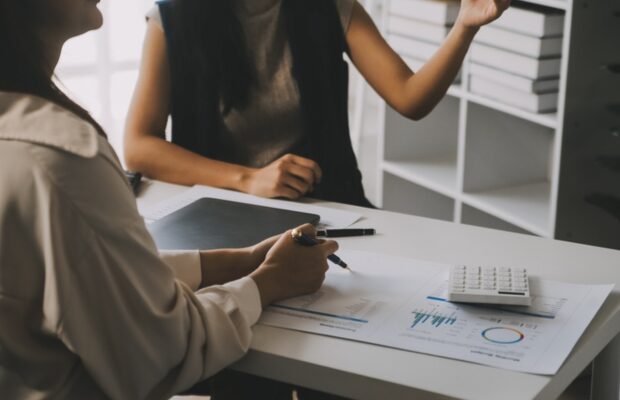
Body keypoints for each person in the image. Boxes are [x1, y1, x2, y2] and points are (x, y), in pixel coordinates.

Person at [0, 0, 338, 398]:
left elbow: (75, 276)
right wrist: (267, 283)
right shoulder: (60, 160)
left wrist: (234, 263)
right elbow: (166, 353)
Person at [124, 0, 510, 207]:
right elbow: (138, 147)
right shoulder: (172, 17)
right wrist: (249, 180)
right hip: (218, 207)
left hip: (324, 208)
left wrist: (464, 28)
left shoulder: (329, 6)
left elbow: (410, 98)